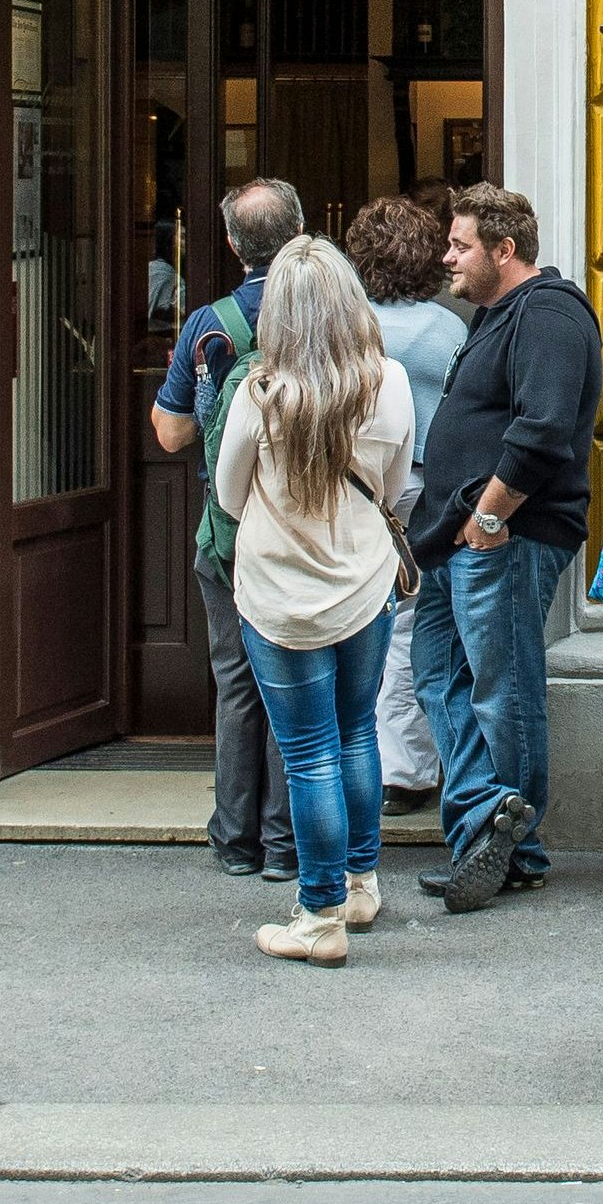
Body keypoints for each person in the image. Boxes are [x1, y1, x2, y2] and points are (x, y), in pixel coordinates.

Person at [211, 236, 418, 966]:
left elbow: (229, 496)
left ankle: (319, 914)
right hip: (364, 586)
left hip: (279, 594)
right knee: (357, 732)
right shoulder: (388, 382)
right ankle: (360, 883)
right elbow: (393, 489)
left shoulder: (259, 393)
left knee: (307, 756)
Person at [405, 184, 602, 913]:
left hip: (503, 538)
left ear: (503, 249)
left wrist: (488, 519)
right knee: (438, 675)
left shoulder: (549, 311)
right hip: (455, 540)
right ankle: (492, 831)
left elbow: (545, 428)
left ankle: (504, 837)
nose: (447, 257)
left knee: (501, 687)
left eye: (459, 245)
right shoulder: (498, 315)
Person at [147, 177, 305, 881]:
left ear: (234, 245)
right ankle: (286, 846)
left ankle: (235, 839)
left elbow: (173, 433)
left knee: (238, 681)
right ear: (301, 233)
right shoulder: (331, 314)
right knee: (298, 679)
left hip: (229, 527)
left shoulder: (210, 323)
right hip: (309, 527)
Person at [345, 195, 467, 815]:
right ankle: (410, 767)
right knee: (411, 626)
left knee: (355, 621)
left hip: (353, 488)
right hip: (423, 487)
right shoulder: (447, 329)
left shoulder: (346, 326)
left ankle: (358, 760)